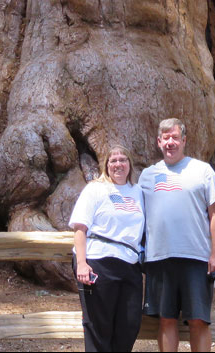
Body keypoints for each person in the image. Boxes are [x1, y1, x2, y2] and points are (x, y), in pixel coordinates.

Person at [138, 118, 215, 352]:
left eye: (175, 137)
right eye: (166, 138)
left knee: (198, 320)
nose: (171, 142)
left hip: (196, 257)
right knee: (166, 319)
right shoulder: (147, 175)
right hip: (159, 258)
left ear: (184, 140)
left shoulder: (202, 171)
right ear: (159, 142)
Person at [68, 145, 146, 352]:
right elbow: (80, 228)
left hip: (130, 264)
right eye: (113, 160)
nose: (118, 164)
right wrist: (82, 264)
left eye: (123, 160)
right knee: (99, 327)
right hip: (99, 261)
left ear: (130, 164)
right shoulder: (95, 190)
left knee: (129, 324)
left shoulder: (138, 192)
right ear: (106, 165)